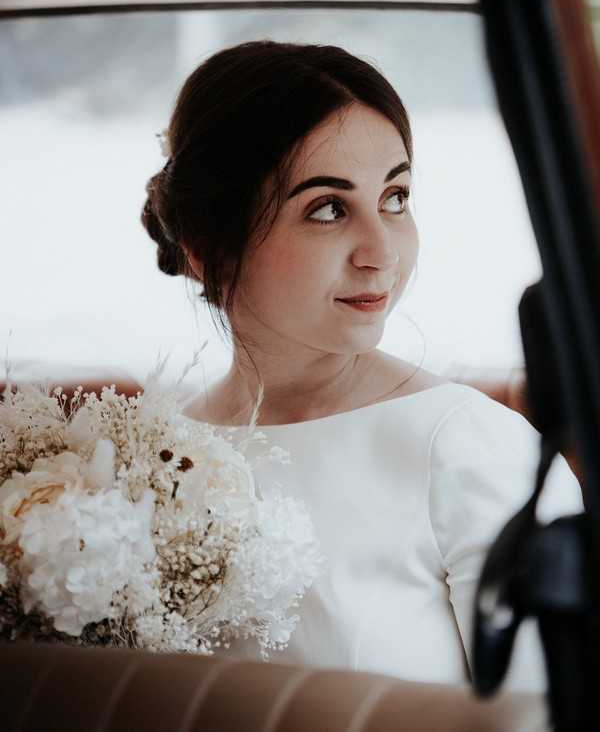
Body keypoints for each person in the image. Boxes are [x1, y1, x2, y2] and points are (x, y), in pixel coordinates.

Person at [141, 39, 583, 691]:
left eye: (396, 198)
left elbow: (554, 708)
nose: (382, 252)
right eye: (328, 208)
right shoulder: (152, 456)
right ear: (210, 249)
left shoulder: (467, 447)